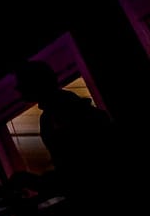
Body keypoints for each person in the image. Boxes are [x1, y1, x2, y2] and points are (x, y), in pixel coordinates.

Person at [13, 62, 119, 197]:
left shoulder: (59, 114)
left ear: (36, 83)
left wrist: (36, 182)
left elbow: (75, 170)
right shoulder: (65, 109)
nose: (17, 88)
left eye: (22, 83)